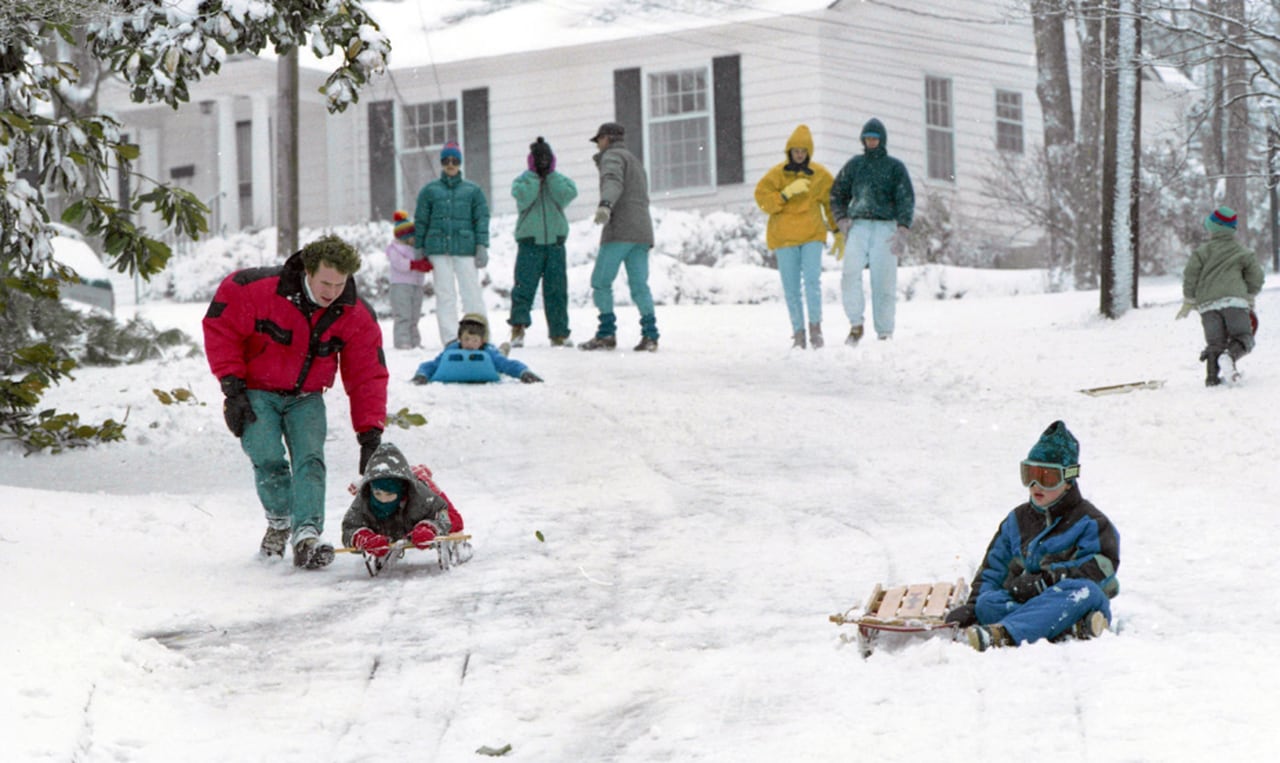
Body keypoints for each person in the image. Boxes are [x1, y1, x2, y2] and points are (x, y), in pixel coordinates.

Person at [203, 234, 389, 569]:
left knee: (310, 460)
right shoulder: (255, 289)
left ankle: (307, 535)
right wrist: (232, 388)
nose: (331, 292)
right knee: (266, 455)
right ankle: (279, 521)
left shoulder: (355, 314)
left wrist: (370, 434)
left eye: (340, 283)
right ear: (308, 270)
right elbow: (221, 328)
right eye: (325, 283)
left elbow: (367, 375)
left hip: (308, 398)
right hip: (258, 391)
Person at [944, 421, 1120, 651]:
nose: (1036, 485)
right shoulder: (1016, 521)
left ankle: (1005, 634)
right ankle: (1069, 628)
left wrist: (1048, 580)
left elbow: (1101, 570)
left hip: (1070, 598)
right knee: (988, 602)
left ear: (1068, 480)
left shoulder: (1091, 522)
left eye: (1047, 478)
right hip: (1026, 603)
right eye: (1030, 474)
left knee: (1084, 591)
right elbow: (993, 569)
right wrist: (974, 605)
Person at [829, 117, 915, 344]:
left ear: (882, 140)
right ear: (863, 140)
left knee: (884, 280)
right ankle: (856, 324)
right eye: (867, 138)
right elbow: (837, 194)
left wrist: (903, 228)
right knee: (850, 275)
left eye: (875, 138)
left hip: (885, 227)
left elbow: (906, 199)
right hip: (858, 226)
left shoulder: (895, 167)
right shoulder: (855, 165)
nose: (871, 142)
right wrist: (841, 219)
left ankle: (885, 331)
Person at [754, 124, 839, 349]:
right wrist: (784, 193)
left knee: (812, 282)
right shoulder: (777, 174)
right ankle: (798, 333)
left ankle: (815, 329)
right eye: (795, 150)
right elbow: (762, 198)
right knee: (791, 288)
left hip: (811, 234)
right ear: (789, 151)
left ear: (809, 151)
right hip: (785, 238)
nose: (799, 154)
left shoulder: (819, 175)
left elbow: (832, 203)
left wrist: (838, 230)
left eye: (803, 150)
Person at [579, 121, 660, 352]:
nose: (597, 146)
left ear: (607, 139)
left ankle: (606, 334)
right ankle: (650, 334)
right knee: (639, 285)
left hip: (620, 230)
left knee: (601, 282)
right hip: (642, 231)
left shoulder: (612, 157)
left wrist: (605, 204)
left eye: (598, 140)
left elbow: (613, 180)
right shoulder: (633, 159)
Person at [1176, 205, 1265, 386]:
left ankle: (1211, 379)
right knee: (1243, 337)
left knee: (1214, 342)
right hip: (1234, 302)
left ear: (1212, 227)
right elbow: (1257, 276)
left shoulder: (1201, 252)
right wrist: (1249, 294)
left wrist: (1189, 300)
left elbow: (1191, 275)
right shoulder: (1242, 252)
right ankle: (1229, 357)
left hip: (1207, 305)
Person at [414, 140, 491, 347]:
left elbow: (481, 219)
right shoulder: (429, 191)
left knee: (471, 293)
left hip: (465, 249)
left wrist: (482, 245)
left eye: (455, 160)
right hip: (438, 250)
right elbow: (421, 220)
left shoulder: (473, 191)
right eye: (446, 160)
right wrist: (419, 247)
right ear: (441, 162)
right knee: (445, 295)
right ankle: (449, 338)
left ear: (460, 163)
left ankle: (478, 335)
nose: (450, 164)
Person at [509, 136, 578, 348]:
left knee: (556, 290)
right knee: (523, 288)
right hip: (529, 243)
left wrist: (550, 175)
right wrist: (533, 176)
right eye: (539, 159)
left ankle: (559, 332)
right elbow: (525, 198)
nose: (543, 163)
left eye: (547, 159)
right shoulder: (522, 182)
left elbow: (566, 195)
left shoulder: (559, 181)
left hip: (555, 244)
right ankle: (518, 328)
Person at [342, 441, 462, 559]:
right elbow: (350, 527)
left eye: (390, 494)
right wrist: (364, 538)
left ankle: (418, 473)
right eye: (378, 494)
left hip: (418, 485)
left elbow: (446, 517)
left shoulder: (423, 496)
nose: (383, 500)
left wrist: (429, 527)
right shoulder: (364, 498)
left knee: (455, 527)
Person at [411, 313, 543, 384]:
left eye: (475, 340)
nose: (469, 344)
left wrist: (524, 373)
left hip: (494, 354)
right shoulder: (452, 350)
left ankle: (505, 347)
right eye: (466, 339)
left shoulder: (487, 351)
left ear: (482, 341)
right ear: (460, 339)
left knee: (500, 355)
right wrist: (422, 375)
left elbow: (507, 365)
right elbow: (432, 365)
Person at [386, 209, 432, 350]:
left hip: (416, 285)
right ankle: (402, 341)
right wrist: (415, 265)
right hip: (400, 286)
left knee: (414, 315)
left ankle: (415, 340)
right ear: (406, 236)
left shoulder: (416, 249)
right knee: (403, 315)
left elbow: (423, 259)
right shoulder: (394, 249)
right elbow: (400, 264)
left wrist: (426, 264)